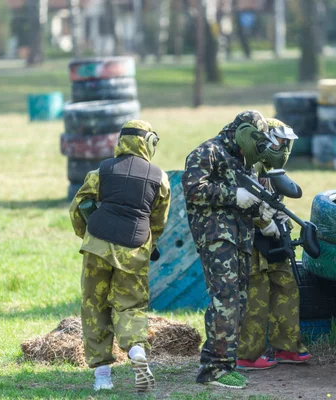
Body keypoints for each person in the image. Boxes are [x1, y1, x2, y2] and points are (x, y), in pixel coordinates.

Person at [69, 120, 171, 393]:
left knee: (94, 306)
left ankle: (102, 376)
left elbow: (78, 208)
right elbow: (157, 222)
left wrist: (87, 236)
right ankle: (136, 350)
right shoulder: (160, 177)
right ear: (148, 143)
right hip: (134, 249)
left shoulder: (101, 171)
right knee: (130, 305)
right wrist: (150, 245)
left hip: (97, 248)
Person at [182, 110, 276, 389]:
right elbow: (192, 187)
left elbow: (249, 199)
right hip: (217, 236)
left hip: (241, 237)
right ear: (244, 132)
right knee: (225, 300)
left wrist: (264, 212)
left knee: (239, 301)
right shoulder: (208, 151)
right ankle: (213, 370)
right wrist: (233, 195)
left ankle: (225, 364)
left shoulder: (245, 162)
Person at [236, 117, 311, 371]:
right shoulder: (250, 164)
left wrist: (279, 225)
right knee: (256, 295)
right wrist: (261, 222)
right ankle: (247, 355)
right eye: (280, 141)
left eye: (285, 143)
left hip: (276, 236)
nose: (284, 148)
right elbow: (242, 200)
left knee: (287, 289)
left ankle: (287, 347)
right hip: (254, 239)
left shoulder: (271, 167)